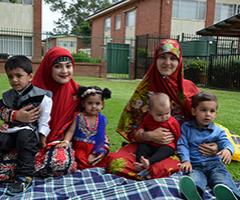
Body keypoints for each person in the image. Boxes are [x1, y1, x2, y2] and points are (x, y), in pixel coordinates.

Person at [107, 39, 218, 180]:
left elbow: (206, 118)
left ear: (180, 61)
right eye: (162, 57)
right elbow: (131, 127)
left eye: (173, 58)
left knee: (164, 169)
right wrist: (148, 135)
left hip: (180, 149)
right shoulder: (145, 90)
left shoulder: (189, 88)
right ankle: (146, 170)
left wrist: (215, 146)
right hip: (146, 145)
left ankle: (150, 171)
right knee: (117, 163)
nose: (167, 62)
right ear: (155, 60)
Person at [0, 55, 52, 195]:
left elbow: (44, 120)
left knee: (24, 138)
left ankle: (24, 176)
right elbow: (1, 111)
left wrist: (42, 136)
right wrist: (14, 115)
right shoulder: (7, 96)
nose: (14, 80)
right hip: (10, 130)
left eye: (19, 75)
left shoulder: (42, 97)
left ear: (30, 76)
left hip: (29, 131)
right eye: (10, 76)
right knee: (2, 139)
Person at [178, 92, 240, 200]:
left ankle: (230, 194)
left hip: (214, 164)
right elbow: (182, 144)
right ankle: (192, 193)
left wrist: (228, 150)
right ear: (194, 111)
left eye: (212, 111)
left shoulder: (218, 131)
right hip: (195, 165)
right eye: (203, 110)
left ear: (215, 114)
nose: (208, 114)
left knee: (222, 179)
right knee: (195, 179)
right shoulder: (186, 127)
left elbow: (226, 142)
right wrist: (185, 160)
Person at [32, 47, 80, 176]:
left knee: (60, 163)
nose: (64, 71)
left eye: (68, 66)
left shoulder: (78, 92)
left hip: (59, 143)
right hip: (31, 142)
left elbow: (91, 119)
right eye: (58, 66)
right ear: (48, 68)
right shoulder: (33, 90)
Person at [57, 86, 111, 169]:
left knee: (106, 160)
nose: (93, 106)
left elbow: (102, 136)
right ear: (83, 104)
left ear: (102, 105)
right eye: (90, 103)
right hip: (80, 148)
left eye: (97, 103)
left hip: (95, 148)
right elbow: (71, 131)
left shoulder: (102, 119)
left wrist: (99, 151)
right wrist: (66, 141)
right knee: (80, 160)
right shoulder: (78, 117)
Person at [134, 92, 180, 179]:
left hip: (166, 145)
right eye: (159, 115)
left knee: (166, 150)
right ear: (150, 111)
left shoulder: (172, 122)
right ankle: (140, 163)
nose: (164, 117)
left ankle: (149, 161)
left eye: (167, 113)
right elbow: (142, 126)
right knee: (142, 147)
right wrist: (142, 131)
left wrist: (177, 148)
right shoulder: (148, 118)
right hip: (151, 143)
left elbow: (178, 135)